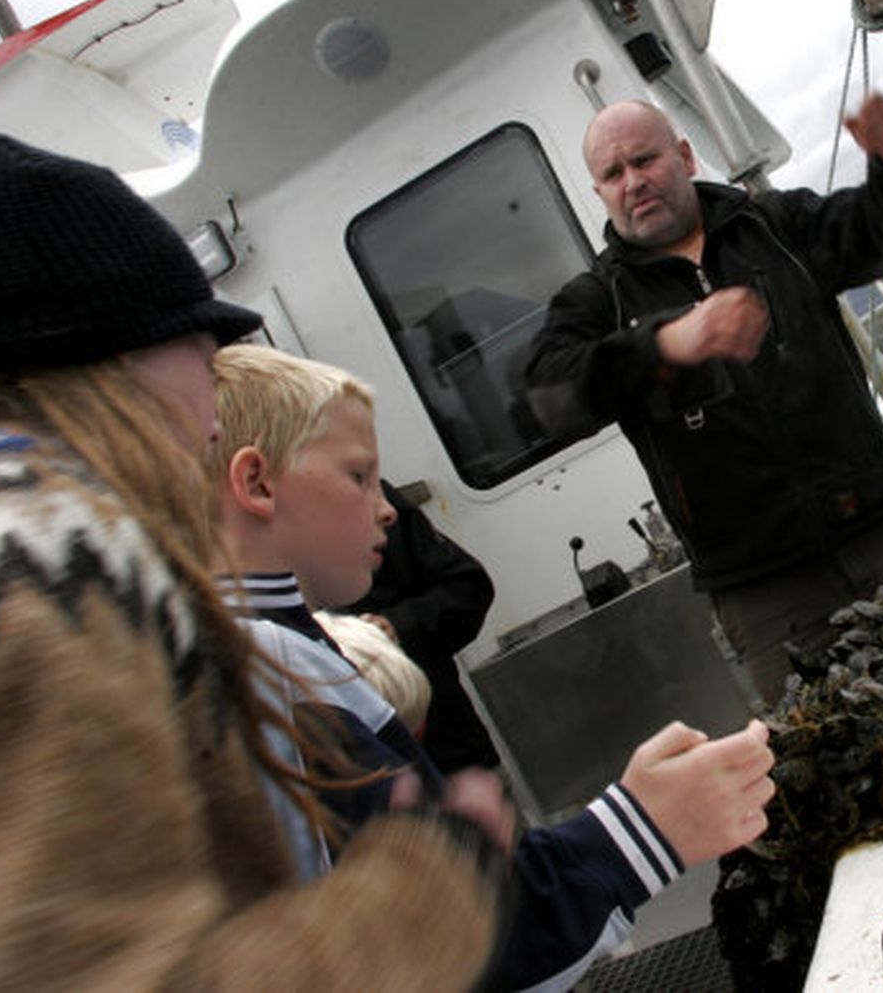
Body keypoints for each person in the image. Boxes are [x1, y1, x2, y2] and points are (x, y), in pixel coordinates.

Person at [0, 133, 504, 988]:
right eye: (198, 343)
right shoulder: (37, 560)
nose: (213, 380)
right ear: (117, 355)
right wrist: (433, 884)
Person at [209, 341, 776, 991]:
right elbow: (455, 942)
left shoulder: (262, 650)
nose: (387, 506)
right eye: (359, 475)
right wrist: (643, 826)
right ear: (256, 482)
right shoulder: (273, 673)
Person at [525, 94, 883, 702]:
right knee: (842, 770)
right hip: (765, 597)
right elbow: (547, 398)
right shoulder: (598, 301)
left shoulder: (776, 226)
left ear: (684, 155)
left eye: (645, 160)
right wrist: (664, 345)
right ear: (598, 193)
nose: (634, 182)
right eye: (613, 174)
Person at [337, 478, 502, 771]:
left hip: (454, 756)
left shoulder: (369, 493)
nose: (386, 513)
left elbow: (468, 586)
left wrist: (396, 627)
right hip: (371, 791)